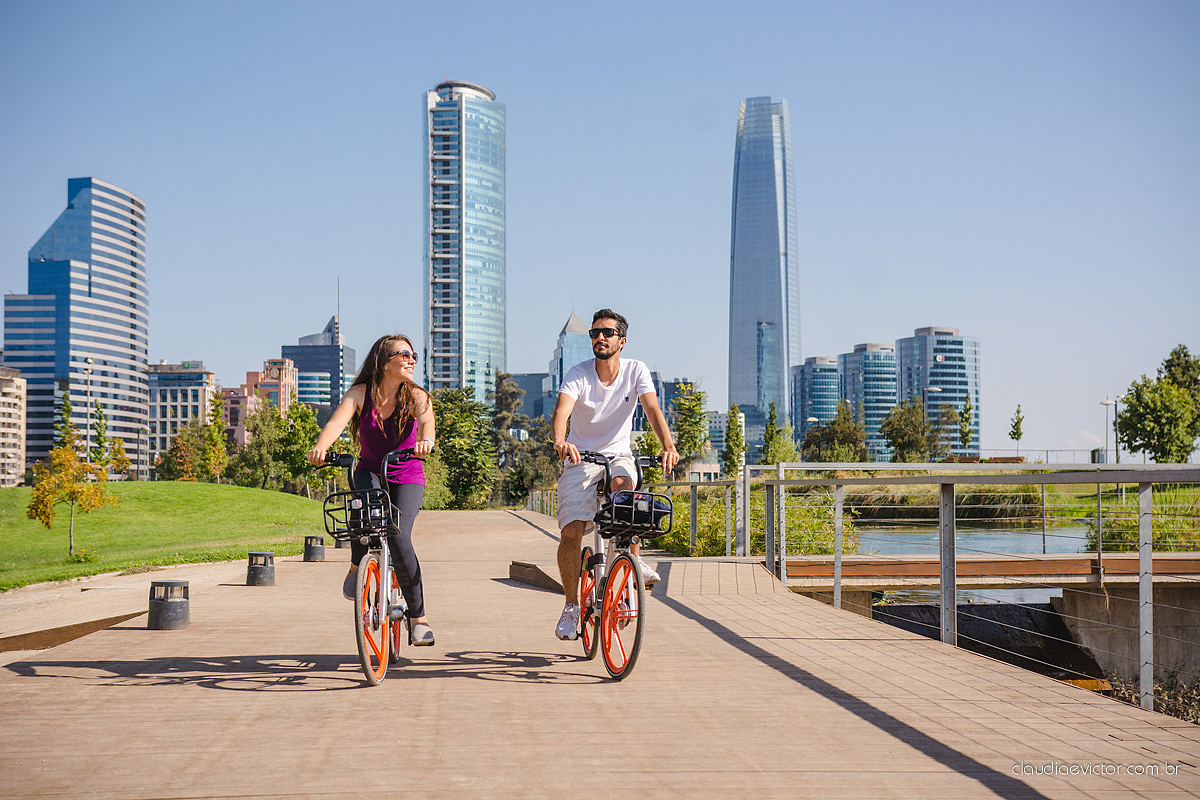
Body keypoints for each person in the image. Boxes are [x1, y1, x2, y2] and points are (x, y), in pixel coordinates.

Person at [550, 309, 679, 641]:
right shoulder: (578, 374)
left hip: (618, 455)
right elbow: (562, 410)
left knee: (624, 493)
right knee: (572, 532)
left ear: (622, 341)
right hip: (580, 458)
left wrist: (668, 444)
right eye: (594, 334)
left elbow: (652, 409)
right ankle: (571, 607)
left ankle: (631, 568)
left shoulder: (635, 370)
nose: (600, 338)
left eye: (606, 333)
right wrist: (561, 441)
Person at [306, 334, 437, 646]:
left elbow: (428, 424)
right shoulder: (360, 394)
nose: (411, 360)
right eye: (403, 355)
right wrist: (321, 448)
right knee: (361, 514)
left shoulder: (417, 396)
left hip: (407, 474)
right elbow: (336, 423)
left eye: (413, 355)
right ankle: (357, 565)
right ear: (383, 361)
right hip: (369, 469)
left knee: (399, 535)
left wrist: (427, 442)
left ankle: (419, 618)